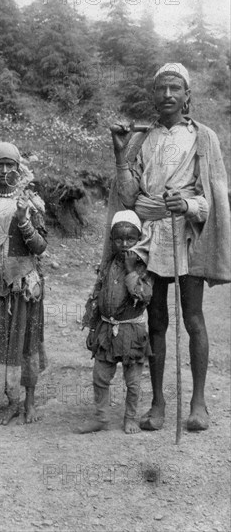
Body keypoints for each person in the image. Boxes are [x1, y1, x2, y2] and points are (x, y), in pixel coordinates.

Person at [108, 63, 231, 432]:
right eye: (161, 88)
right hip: (152, 236)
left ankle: (197, 404)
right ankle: (158, 403)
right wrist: (119, 154)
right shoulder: (142, 139)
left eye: (175, 88)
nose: (167, 95)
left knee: (193, 318)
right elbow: (130, 197)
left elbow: (215, 193)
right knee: (157, 320)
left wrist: (189, 205)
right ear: (153, 95)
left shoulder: (204, 138)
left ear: (187, 95)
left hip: (188, 233)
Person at [0, 142, 47, 425]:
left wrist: (23, 221)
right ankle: (10, 401)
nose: (5, 170)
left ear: (19, 168)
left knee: (26, 340)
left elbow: (40, 247)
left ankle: (28, 402)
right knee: (0, 341)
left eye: (10, 165)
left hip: (24, 283)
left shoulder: (30, 201)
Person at [78, 210, 153, 434]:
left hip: (132, 332)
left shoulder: (144, 267)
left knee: (133, 382)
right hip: (106, 330)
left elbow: (144, 296)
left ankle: (130, 418)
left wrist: (131, 270)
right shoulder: (108, 264)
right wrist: (92, 327)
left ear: (139, 239)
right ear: (112, 240)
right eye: (118, 238)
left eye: (130, 239)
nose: (124, 244)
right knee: (100, 376)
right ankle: (101, 417)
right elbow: (96, 296)